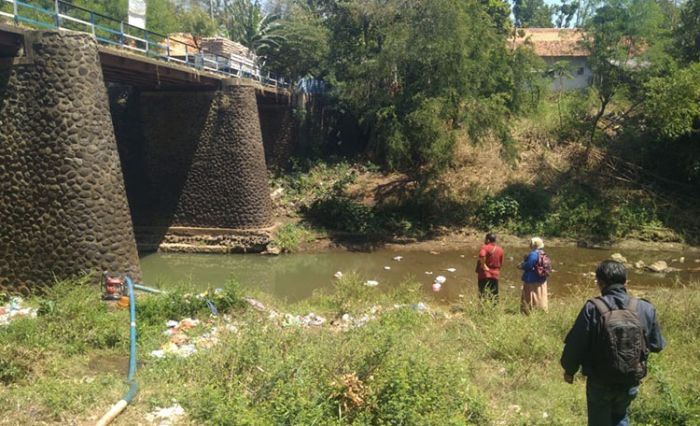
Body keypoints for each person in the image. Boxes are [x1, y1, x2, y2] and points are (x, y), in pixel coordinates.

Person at [561, 260, 666, 426]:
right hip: (630, 378)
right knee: (620, 416)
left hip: (599, 379)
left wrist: (569, 369)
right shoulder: (645, 308)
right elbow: (657, 345)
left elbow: (577, 343)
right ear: (625, 282)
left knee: (599, 421)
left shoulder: (592, 307)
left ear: (600, 283)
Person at [519, 237, 548, 313]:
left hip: (531, 279)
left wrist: (521, 265)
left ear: (534, 244)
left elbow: (528, 265)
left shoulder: (533, 254)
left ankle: (527, 311)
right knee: (540, 296)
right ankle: (541, 310)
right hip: (541, 278)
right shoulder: (542, 253)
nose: (530, 244)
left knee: (529, 295)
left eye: (531, 243)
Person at [475, 233, 504, 299]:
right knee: (494, 295)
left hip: (485, 275)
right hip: (495, 275)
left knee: (483, 294)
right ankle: (494, 308)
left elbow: (482, 255)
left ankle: (482, 308)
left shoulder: (485, 247)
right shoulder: (500, 249)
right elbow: (501, 263)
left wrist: (483, 265)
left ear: (488, 240)